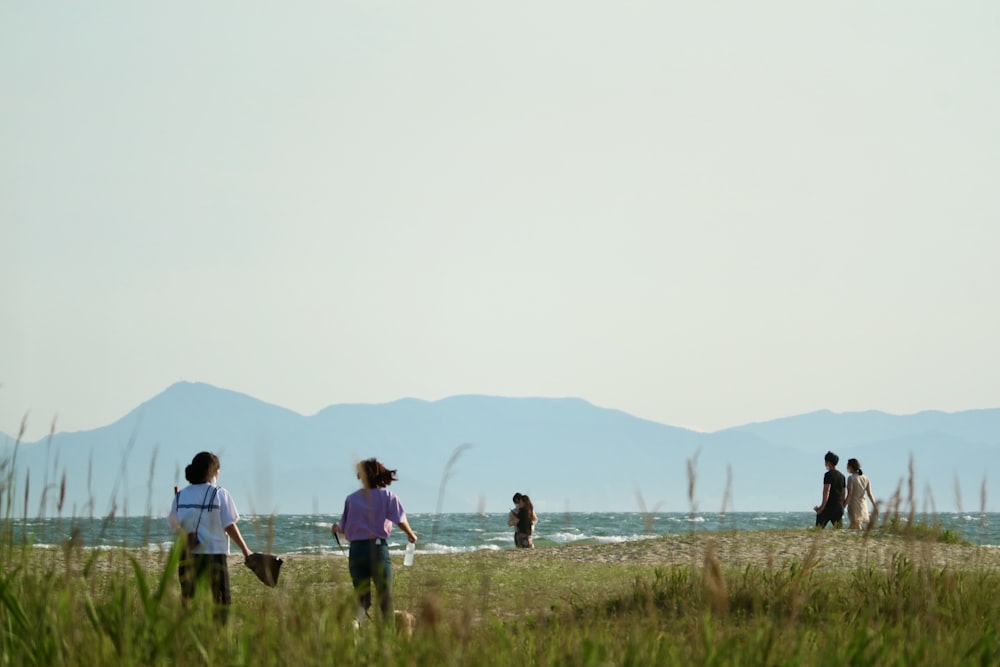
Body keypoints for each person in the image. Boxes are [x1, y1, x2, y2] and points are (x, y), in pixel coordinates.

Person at [168, 451, 253, 623]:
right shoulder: (220, 494)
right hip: (214, 555)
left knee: (189, 602)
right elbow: (229, 525)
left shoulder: (180, 495)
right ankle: (219, 641)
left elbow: (173, 524)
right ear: (213, 472)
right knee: (220, 603)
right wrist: (246, 551)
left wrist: (186, 537)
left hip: (187, 555)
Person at [331, 458, 417, 627]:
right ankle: (389, 639)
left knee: (362, 597)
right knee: (385, 597)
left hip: (356, 550)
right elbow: (399, 519)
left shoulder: (351, 499)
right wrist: (410, 534)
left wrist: (335, 528)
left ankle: (354, 624)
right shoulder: (388, 497)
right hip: (377, 549)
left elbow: (342, 527)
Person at [813, 450, 846, 529]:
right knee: (839, 530)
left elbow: (826, 490)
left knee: (818, 529)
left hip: (829, 506)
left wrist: (822, 507)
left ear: (828, 462)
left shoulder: (828, 475)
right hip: (838, 506)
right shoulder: (842, 476)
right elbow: (844, 492)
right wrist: (842, 505)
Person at [844, 458, 876, 529]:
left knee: (855, 523)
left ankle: (859, 539)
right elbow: (869, 494)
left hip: (854, 504)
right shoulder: (865, 478)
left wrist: (844, 505)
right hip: (862, 504)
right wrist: (874, 505)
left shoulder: (851, 478)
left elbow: (850, 494)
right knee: (855, 524)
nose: (846, 468)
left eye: (847, 466)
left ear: (851, 467)